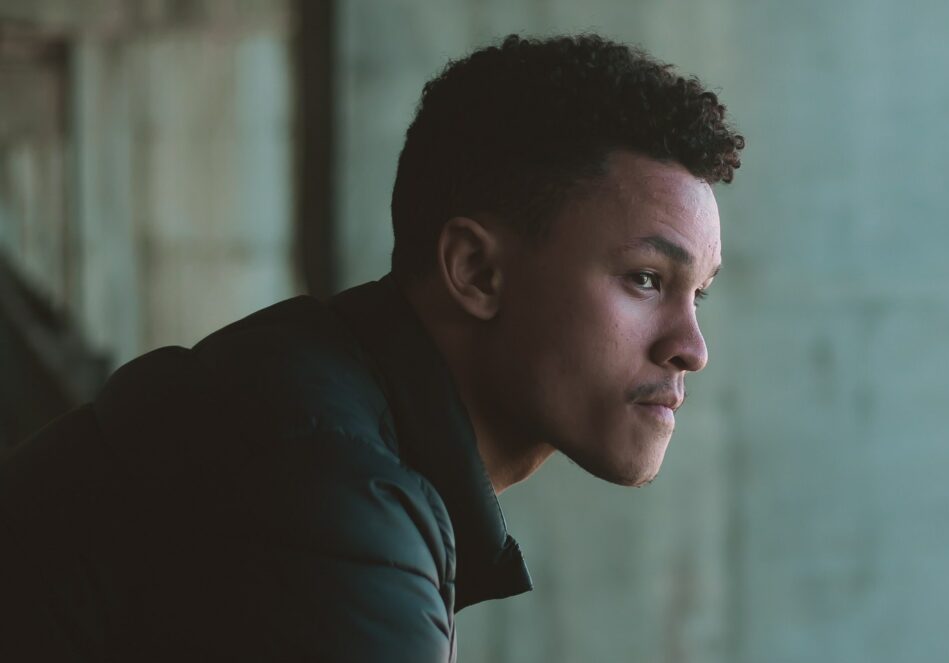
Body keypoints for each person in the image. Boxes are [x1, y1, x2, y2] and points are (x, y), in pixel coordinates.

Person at [0, 33, 743, 661]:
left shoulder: (323, 418)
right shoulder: (324, 492)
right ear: (476, 271)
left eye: (698, 293)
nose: (691, 348)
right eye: (646, 279)